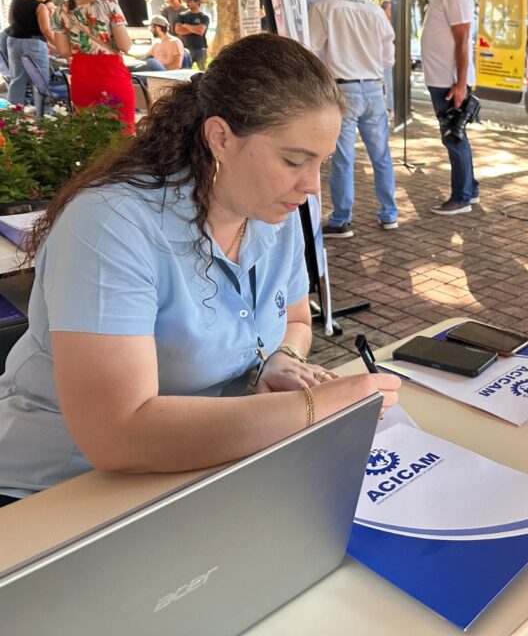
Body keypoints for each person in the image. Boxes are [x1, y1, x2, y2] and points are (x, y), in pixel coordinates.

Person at [0, 32, 400, 506]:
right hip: (58, 492)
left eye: (322, 162)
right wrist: (314, 406)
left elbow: (295, 319)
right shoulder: (111, 225)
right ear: (220, 138)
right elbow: (116, 436)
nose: (312, 185)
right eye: (294, 160)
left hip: (202, 470)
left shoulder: (276, 210)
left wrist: (281, 360)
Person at [308, 0, 399, 238]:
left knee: (343, 158)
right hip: (373, 89)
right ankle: (389, 214)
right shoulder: (375, 11)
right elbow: (389, 58)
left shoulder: (324, 7)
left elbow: (312, 51)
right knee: (381, 156)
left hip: (342, 90)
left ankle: (341, 219)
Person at [418, 0, 480, 215]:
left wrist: (460, 83)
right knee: (455, 135)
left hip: (450, 81)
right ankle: (470, 189)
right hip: (442, 79)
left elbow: (462, 39)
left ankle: (461, 197)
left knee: (453, 137)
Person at [52, 0, 135, 132]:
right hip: (111, 74)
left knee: (88, 134)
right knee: (122, 134)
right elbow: (125, 46)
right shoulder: (108, 5)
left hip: (81, 76)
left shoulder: (61, 10)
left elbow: (64, 51)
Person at [6, 0, 56, 108]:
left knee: (17, 79)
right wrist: (58, 46)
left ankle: (13, 113)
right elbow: (46, 31)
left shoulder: (16, 0)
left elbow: (10, 20)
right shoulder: (40, 6)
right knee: (40, 80)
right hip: (34, 43)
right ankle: (44, 114)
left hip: (13, 41)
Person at [176, 0, 210, 70]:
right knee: (185, 70)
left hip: (200, 48)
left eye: (190, 1)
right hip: (186, 48)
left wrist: (186, 26)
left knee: (202, 70)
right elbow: (178, 30)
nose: (187, 3)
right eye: (186, 1)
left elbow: (201, 31)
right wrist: (195, 29)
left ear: (197, 2)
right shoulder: (182, 16)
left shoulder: (204, 17)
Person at [379, 0, 396, 118]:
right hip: (382, 60)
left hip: (388, 60)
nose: (392, 11)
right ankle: (390, 107)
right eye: (390, 9)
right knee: (386, 85)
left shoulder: (389, 22)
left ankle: (390, 106)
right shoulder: (380, 21)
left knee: (389, 85)